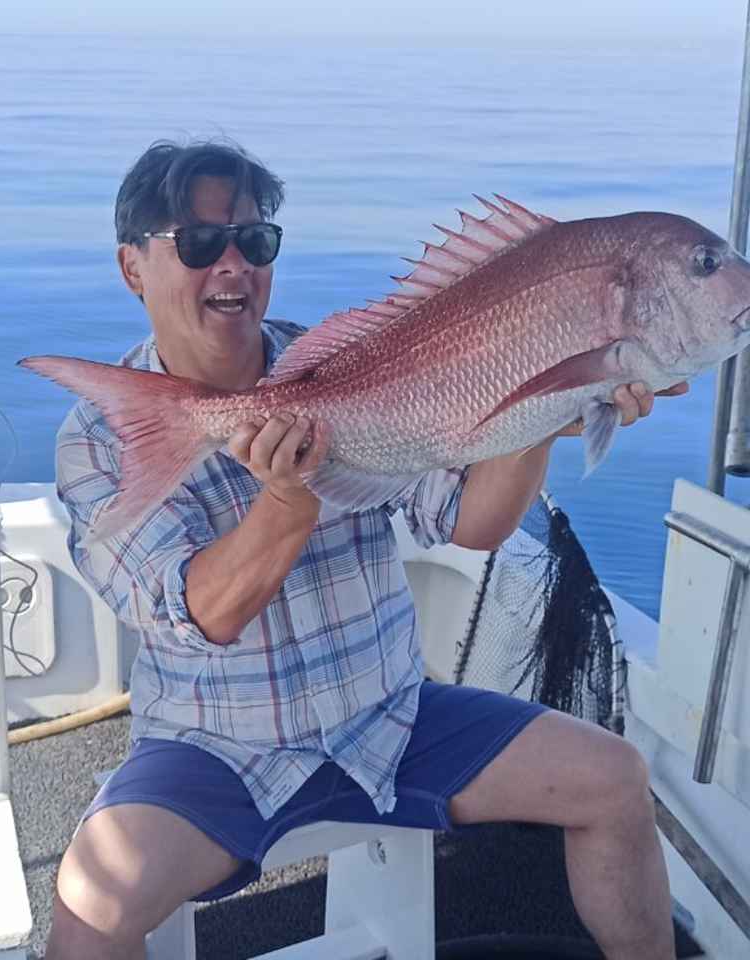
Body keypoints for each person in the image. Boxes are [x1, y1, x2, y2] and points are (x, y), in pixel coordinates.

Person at [44, 138, 686, 960]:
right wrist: (287, 498)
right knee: (89, 910)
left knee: (616, 780)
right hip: (216, 747)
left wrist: (546, 413)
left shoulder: (344, 363)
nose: (232, 265)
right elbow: (199, 614)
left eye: (255, 240)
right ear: (134, 268)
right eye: (200, 244)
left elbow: (471, 525)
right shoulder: (102, 437)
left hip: (390, 715)